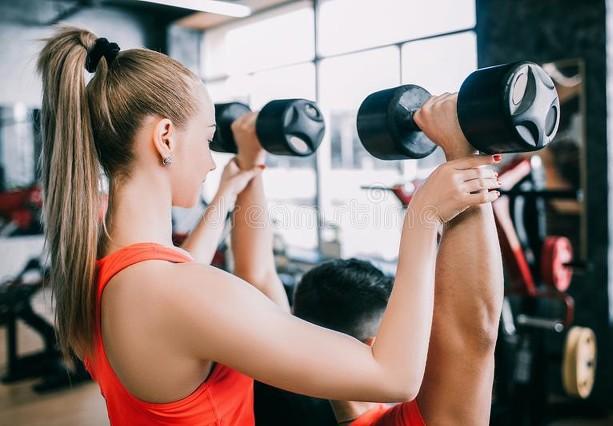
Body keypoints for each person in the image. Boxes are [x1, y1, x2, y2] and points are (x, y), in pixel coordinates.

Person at [38, 26, 500, 425]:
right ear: (164, 138)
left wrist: (233, 184)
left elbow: (183, 266)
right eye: (206, 137)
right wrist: (423, 219)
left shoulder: (103, 270)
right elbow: (395, 377)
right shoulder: (175, 293)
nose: (208, 160)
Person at [257, 135, 504, 425]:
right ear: (374, 345)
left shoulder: (272, 385)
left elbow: (259, 275)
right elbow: (472, 334)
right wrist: (461, 150)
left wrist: (251, 162)